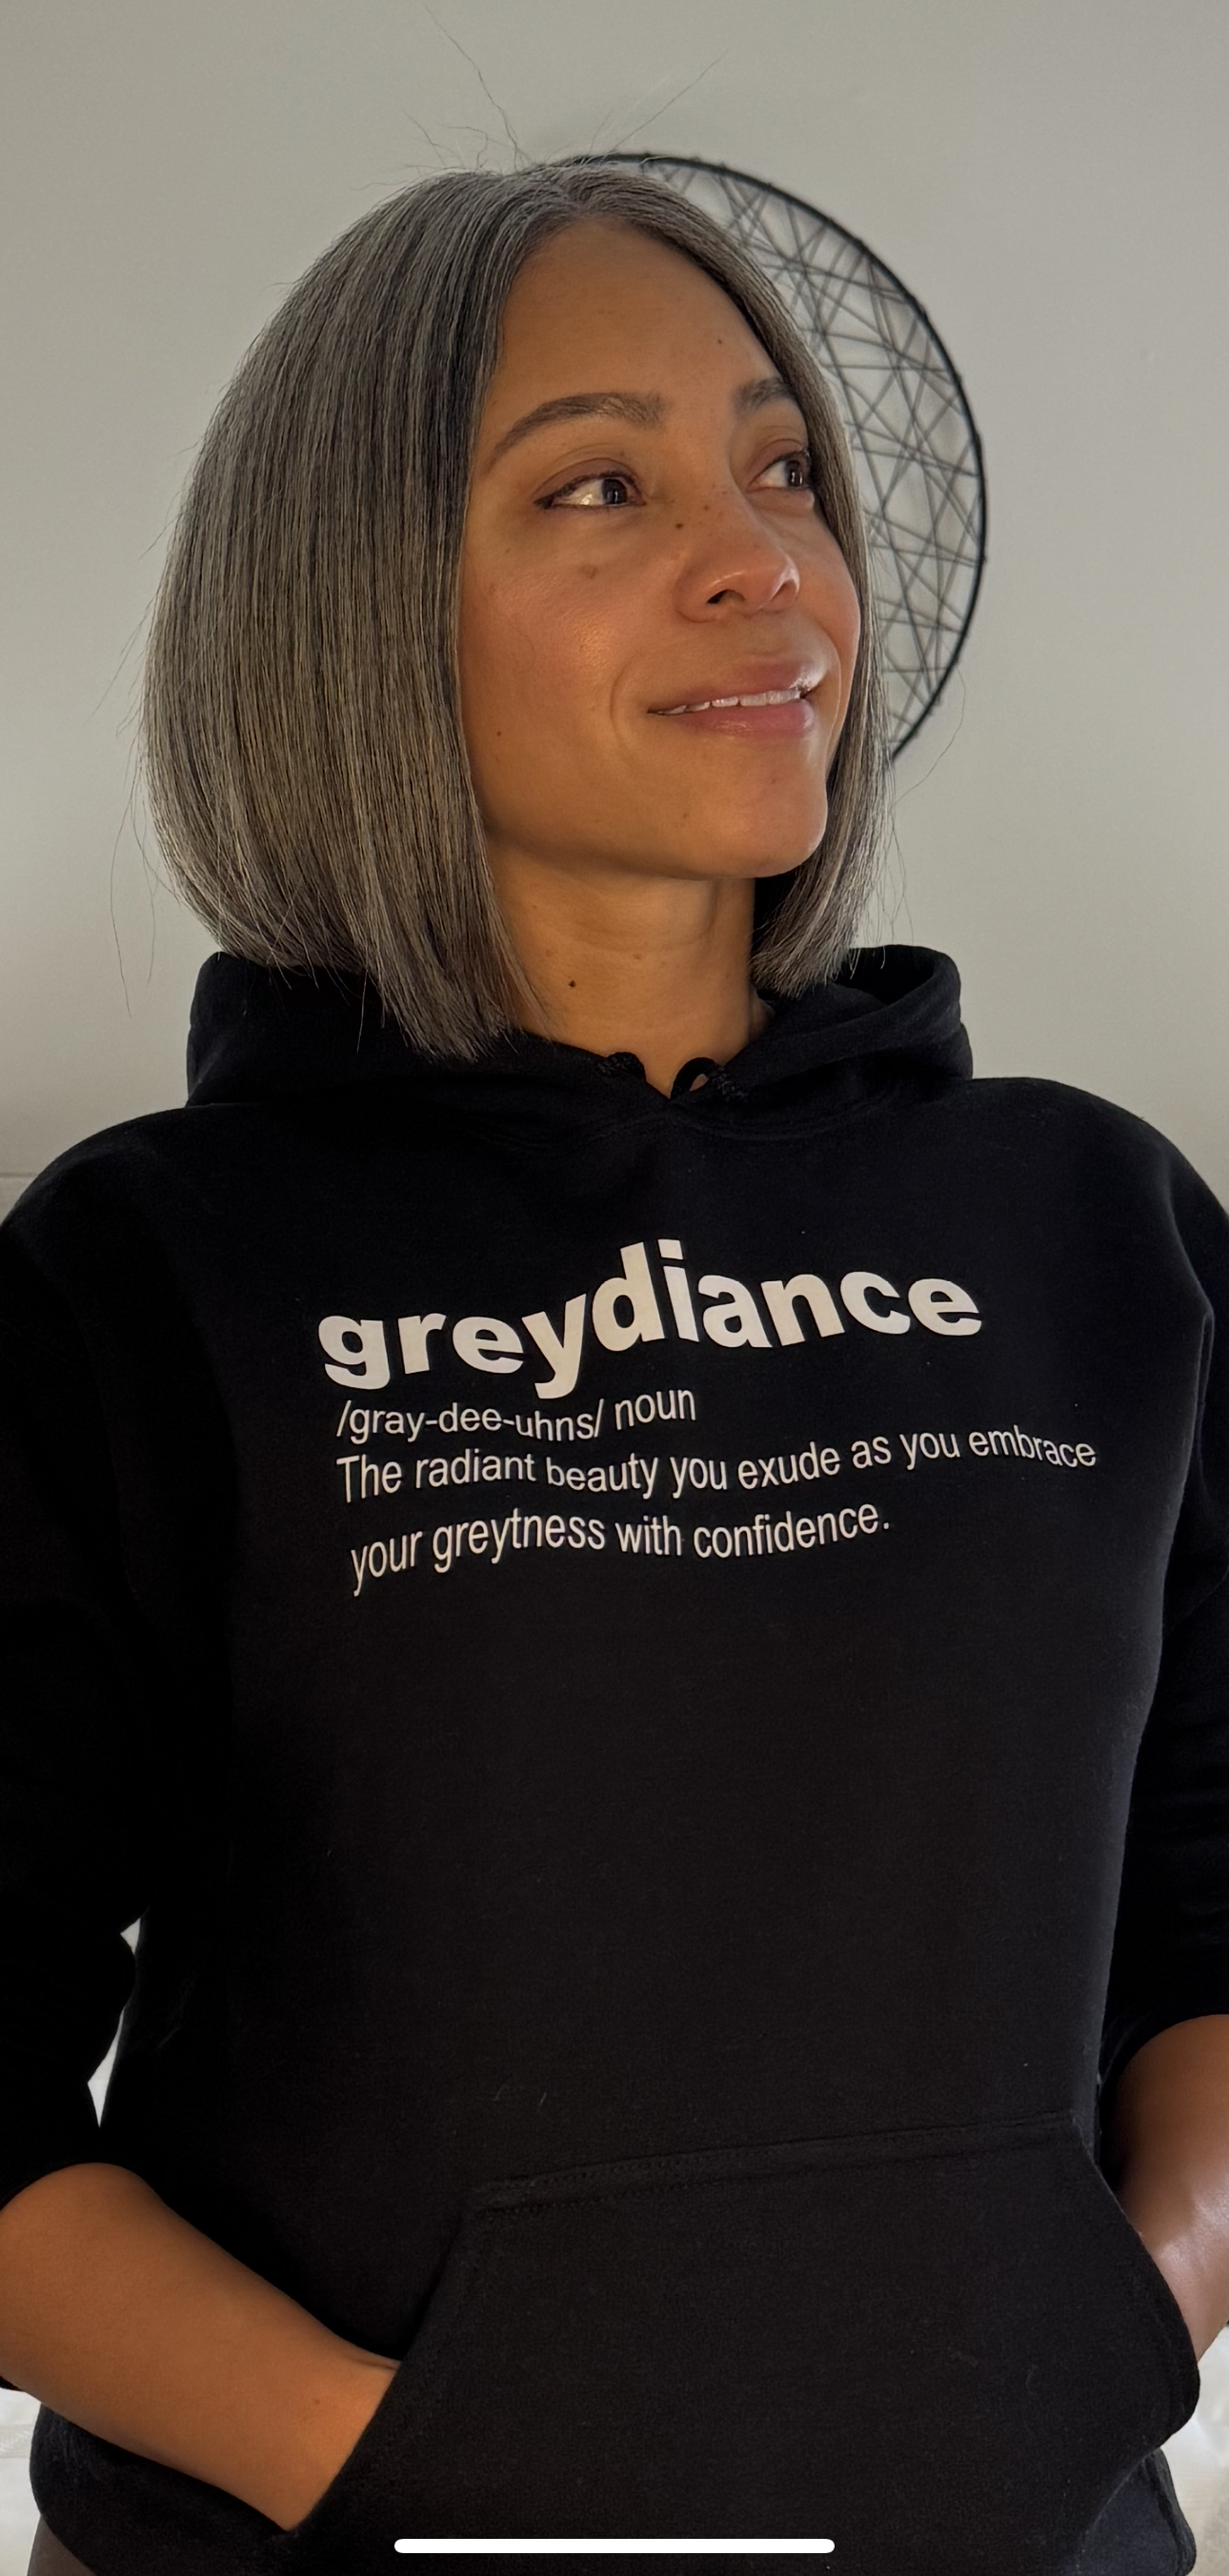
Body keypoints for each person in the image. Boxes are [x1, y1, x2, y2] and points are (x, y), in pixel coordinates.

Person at [0, 157, 1226, 2576]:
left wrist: (1122, 2327)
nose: (766, 561)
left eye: (786, 471)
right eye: (599, 486)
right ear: (358, 611)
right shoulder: (142, 1278)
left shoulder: (1097, 1228)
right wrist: (407, 2473)